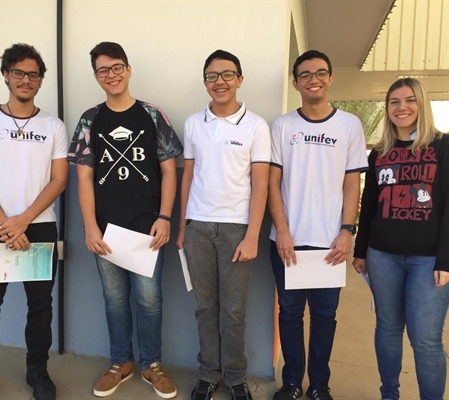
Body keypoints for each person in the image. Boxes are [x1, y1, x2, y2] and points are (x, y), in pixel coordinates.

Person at [67, 41, 182, 399]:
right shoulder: (90, 119)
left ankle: (152, 365)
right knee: (114, 299)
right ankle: (120, 362)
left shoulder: (151, 115)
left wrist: (165, 217)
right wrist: (89, 226)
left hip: (148, 229)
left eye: (117, 67)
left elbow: (168, 170)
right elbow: (83, 177)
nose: (111, 75)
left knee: (150, 300)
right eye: (103, 70)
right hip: (106, 231)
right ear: (96, 76)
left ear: (128, 69)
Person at [0, 43, 69, 400]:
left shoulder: (53, 126)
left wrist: (22, 221)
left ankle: (38, 373)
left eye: (33, 74)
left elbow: (58, 180)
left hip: (37, 226)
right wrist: (6, 224)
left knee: (40, 307)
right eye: (18, 72)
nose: (26, 80)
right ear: (6, 75)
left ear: (40, 80)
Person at [352, 78, 449, 400]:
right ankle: (390, 394)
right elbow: (370, 204)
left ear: (422, 104)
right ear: (387, 109)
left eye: (409, 100)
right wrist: (361, 251)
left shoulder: (446, 148)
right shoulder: (380, 154)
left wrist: (447, 261)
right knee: (387, 329)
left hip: (428, 261)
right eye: (394, 102)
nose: (402, 108)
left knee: (426, 339)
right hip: (382, 256)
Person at [268, 50, 368, 400]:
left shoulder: (349, 126)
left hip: (330, 243)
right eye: (306, 74)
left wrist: (347, 230)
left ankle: (319, 385)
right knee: (291, 315)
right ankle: (292, 383)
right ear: (295, 82)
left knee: (325, 317)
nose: (314, 78)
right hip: (288, 242)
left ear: (330, 78)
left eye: (320, 72)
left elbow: (352, 183)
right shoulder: (282, 126)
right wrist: (281, 230)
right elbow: (272, 183)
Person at [177, 49, 270, 400]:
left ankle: (235, 377)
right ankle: (208, 374)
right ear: (205, 83)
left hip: (236, 231)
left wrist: (252, 236)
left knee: (233, 311)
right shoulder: (192, 124)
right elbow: (188, 178)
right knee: (205, 307)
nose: (220, 82)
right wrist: (184, 227)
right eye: (213, 76)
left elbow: (260, 184)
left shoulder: (256, 126)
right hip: (199, 227)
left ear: (240, 79)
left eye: (227, 75)